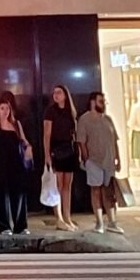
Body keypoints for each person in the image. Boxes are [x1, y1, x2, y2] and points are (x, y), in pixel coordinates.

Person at [0, 95, 33, 239]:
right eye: (2, 108)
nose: (5, 111)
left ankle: (21, 225)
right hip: (0, 163)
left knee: (19, 195)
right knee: (1, 195)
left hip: (17, 163)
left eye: (7, 108)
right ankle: (3, 226)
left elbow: (23, 140)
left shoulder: (16, 124)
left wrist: (29, 148)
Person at [76, 90, 124, 234]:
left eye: (104, 101)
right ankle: (99, 222)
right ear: (92, 102)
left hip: (108, 161)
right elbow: (81, 142)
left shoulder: (108, 119)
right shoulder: (84, 120)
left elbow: (114, 140)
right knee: (96, 191)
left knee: (109, 191)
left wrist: (118, 158)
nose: (103, 104)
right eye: (100, 101)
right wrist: (86, 159)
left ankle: (112, 222)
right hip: (94, 161)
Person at [42, 83, 79, 230]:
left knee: (67, 186)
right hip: (56, 148)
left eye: (59, 92)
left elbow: (74, 133)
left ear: (65, 95)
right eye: (54, 93)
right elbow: (46, 134)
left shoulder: (70, 112)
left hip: (69, 148)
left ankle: (68, 217)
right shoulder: (50, 111)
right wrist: (47, 154)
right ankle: (59, 218)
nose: (56, 95)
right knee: (57, 185)